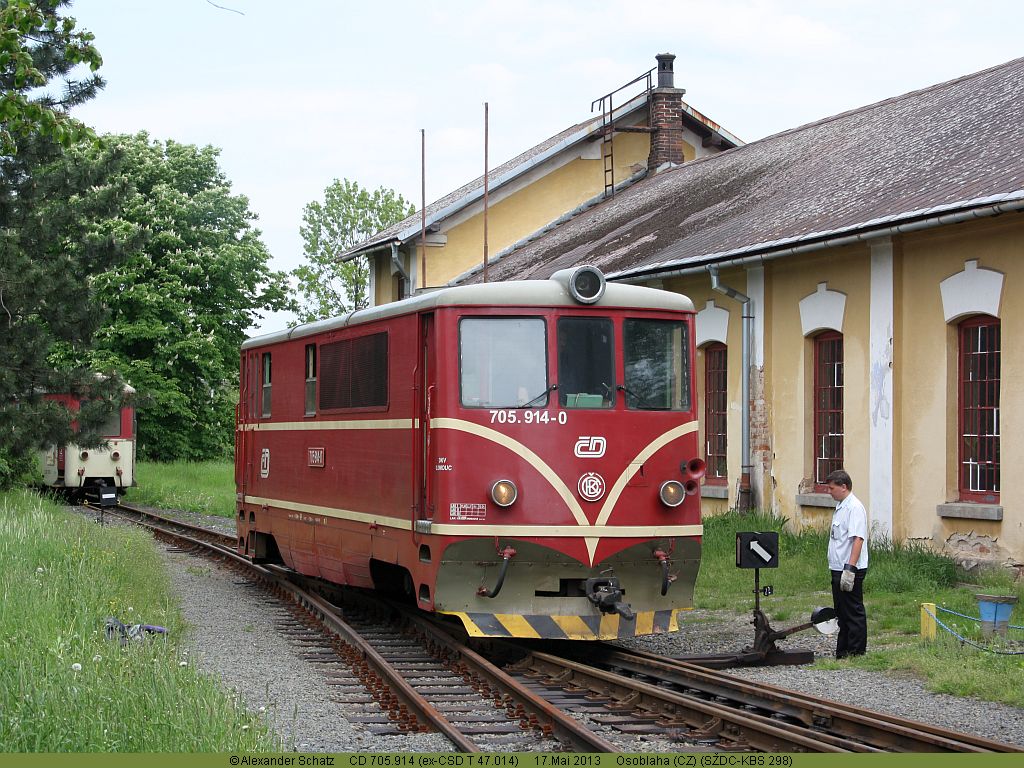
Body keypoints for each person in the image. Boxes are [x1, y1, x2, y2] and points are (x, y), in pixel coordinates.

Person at [825, 469, 869, 658]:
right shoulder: (842, 506)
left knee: (853, 611)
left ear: (844, 487)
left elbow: (858, 539)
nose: (829, 491)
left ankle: (856, 651)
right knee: (841, 612)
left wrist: (850, 569)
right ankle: (843, 651)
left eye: (832, 488)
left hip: (849, 568)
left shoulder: (854, 507)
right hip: (837, 567)